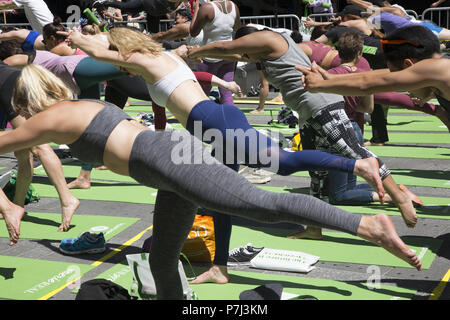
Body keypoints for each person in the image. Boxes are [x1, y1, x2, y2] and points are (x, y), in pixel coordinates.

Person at [2, 63, 422, 300]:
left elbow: (8, 142)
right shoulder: (79, 105)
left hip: (166, 161)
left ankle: (367, 226)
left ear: (26, 100)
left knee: (260, 204)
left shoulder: (48, 119)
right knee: (161, 258)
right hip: (165, 164)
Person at [289, 31, 423, 239]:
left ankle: (392, 196)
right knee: (350, 182)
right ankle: (396, 191)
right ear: (360, 53)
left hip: (335, 133)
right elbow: (368, 108)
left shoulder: (330, 74)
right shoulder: (365, 69)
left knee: (338, 193)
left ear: (337, 52)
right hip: (356, 129)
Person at [298, 25, 450, 126]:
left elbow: (367, 84)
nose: (409, 93)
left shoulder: (437, 69)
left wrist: (319, 85)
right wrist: (331, 78)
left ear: (408, 66)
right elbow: (372, 76)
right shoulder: (436, 69)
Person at [0, 60, 80, 231]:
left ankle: (67, 199)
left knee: (37, 145)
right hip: (12, 79)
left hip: (8, 84)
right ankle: (18, 205)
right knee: (23, 152)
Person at [189, 0, 240, 105]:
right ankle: (228, 120)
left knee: (201, 94)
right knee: (227, 93)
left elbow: (193, 32)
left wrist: (196, 10)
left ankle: (198, 122)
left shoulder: (207, 8)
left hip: (210, 56)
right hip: (228, 54)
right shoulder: (233, 5)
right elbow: (237, 27)